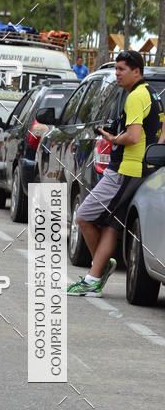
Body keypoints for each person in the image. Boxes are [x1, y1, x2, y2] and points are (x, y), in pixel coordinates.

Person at [68, 49, 164, 297]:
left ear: (136, 71)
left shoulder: (135, 97)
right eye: (116, 68)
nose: (117, 73)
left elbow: (132, 137)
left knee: (84, 216)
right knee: (112, 224)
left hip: (126, 170)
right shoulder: (152, 94)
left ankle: (97, 271)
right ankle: (96, 273)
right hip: (140, 168)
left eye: (122, 69)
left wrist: (113, 138)